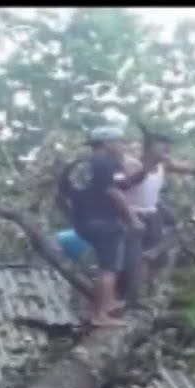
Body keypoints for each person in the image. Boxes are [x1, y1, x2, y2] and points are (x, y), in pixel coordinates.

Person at [115, 131, 195, 303]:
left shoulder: (165, 164)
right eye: (161, 144)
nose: (166, 148)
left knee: (155, 252)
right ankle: (126, 297)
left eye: (167, 145)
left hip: (152, 215)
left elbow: (193, 170)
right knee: (132, 259)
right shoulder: (131, 164)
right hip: (132, 216)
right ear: (150, 147)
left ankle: (141, 291)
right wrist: (148, 166)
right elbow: (126, 184)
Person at [59, 126, 145, 327]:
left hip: (82, 223)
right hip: (105, 222)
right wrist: (133, 218)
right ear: (108, 143)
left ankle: (104, 305)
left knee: (103, 265)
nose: (122, 146)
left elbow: (60, 197)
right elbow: (115, 192)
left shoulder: (75, 165)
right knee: (109, 269)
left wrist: (73, 218)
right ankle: (101, 314)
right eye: (120, 142)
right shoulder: (108, 163)